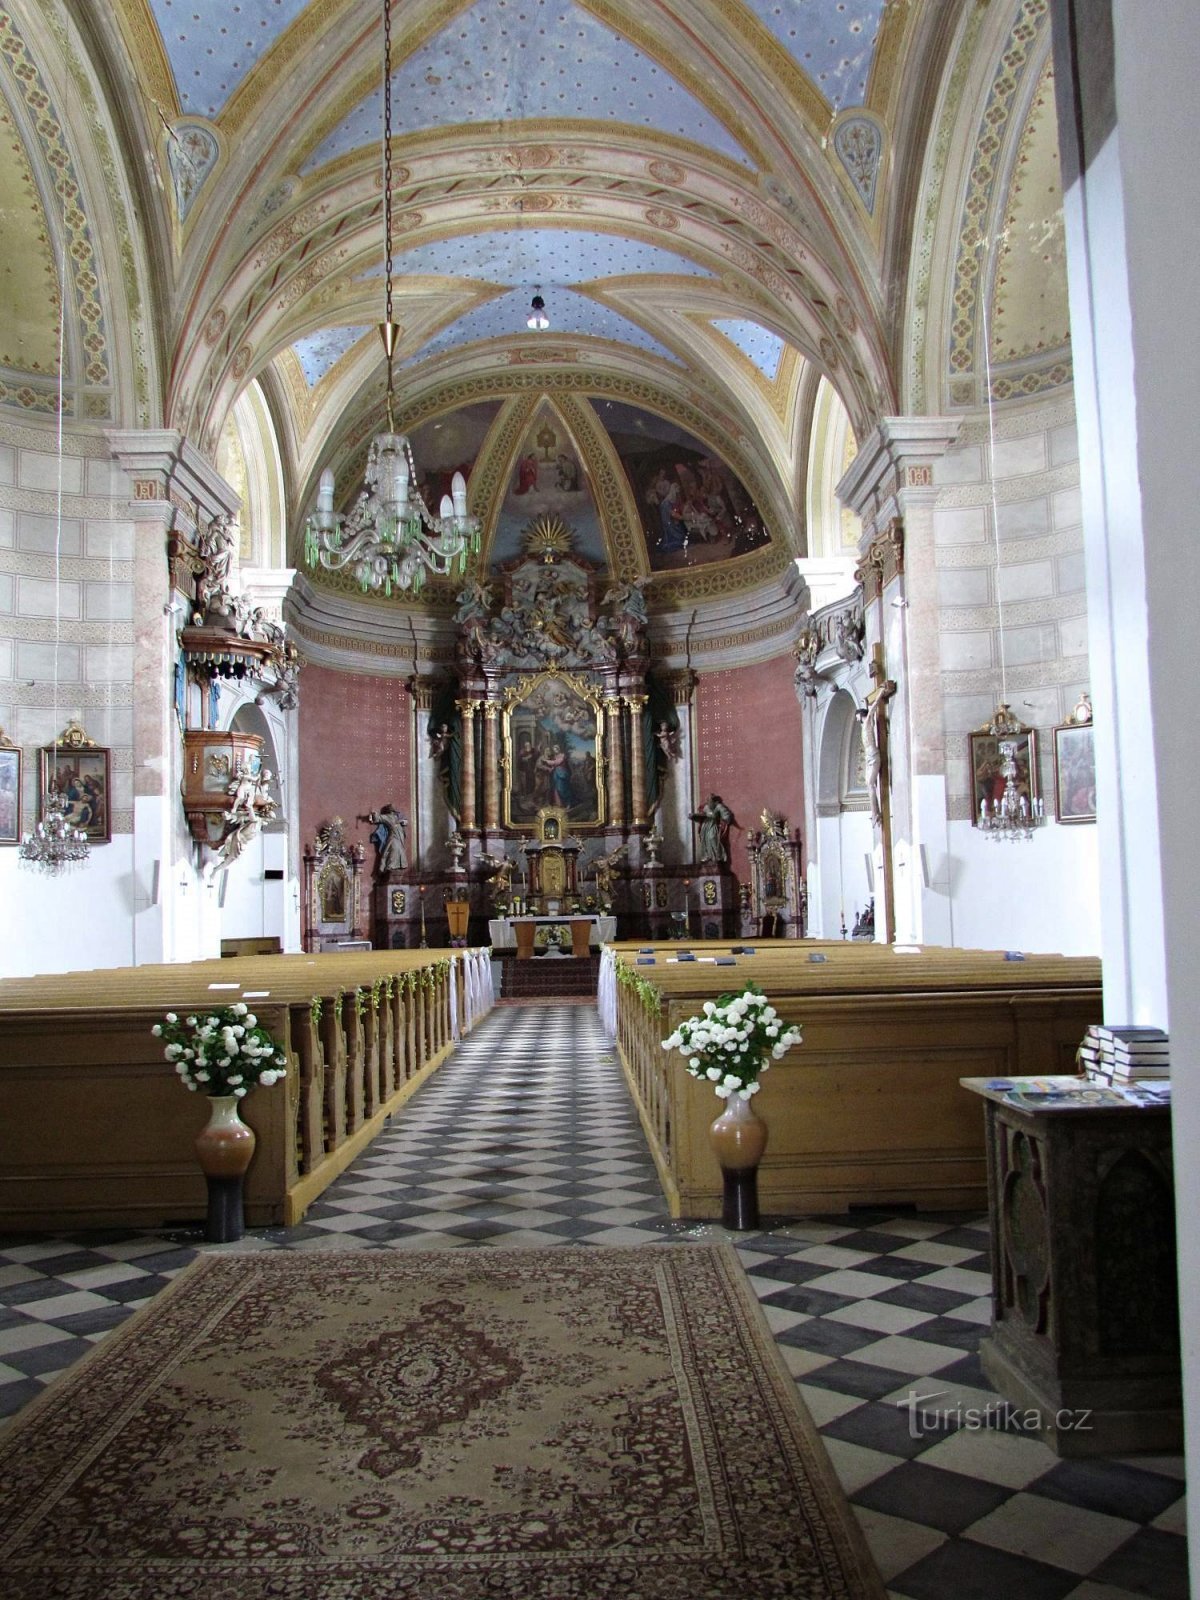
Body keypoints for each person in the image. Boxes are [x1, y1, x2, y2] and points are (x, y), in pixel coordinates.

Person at [691, 793, 733, 864]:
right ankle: (708, 856)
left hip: (713, 825)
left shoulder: (718, 806)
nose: (708, 802)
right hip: (705, 825)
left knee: (712, 837)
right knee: (704, 840)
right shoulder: (706, 807)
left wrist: (725, 819)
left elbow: (726, 815)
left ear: (714, 801)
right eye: (707, 801)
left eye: (710, 801)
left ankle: (718, 856)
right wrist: (694, 816)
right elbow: (702, 815)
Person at [366, 804, 407, 873]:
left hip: (400, 836)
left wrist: (403, 822)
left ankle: (396, 865)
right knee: (392, 849)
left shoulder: (397, 817)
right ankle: (389, 866)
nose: (392, 811)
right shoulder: (387, 817)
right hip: (393, 836)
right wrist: (374, 813)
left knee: (399, 850)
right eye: (391, 810)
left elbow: (405, 821)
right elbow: (378, 818)